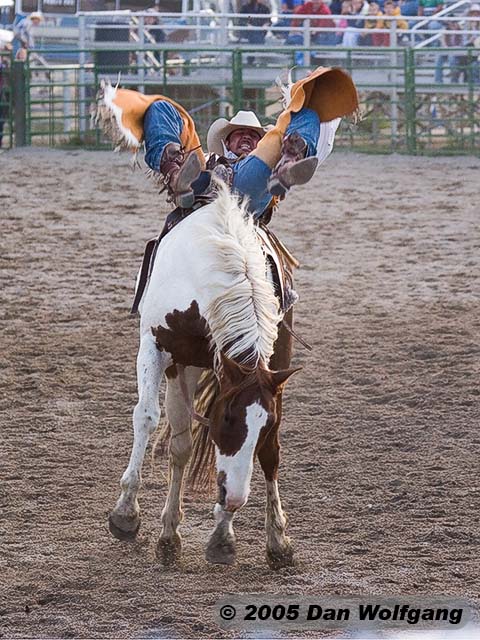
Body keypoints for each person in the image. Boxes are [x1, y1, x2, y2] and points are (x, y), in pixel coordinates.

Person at [94, 66, 358, 220]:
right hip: (201, 184)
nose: (246, 137)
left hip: (249, 185)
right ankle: (175, 174)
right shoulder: (207, 158)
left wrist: (275, 156)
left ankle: (289, 159)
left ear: (261, 143)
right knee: (162, 107)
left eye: (253, 135)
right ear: (227, 142)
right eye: (239, 133)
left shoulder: (260, 158)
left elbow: (313, 132)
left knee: (307, 111)